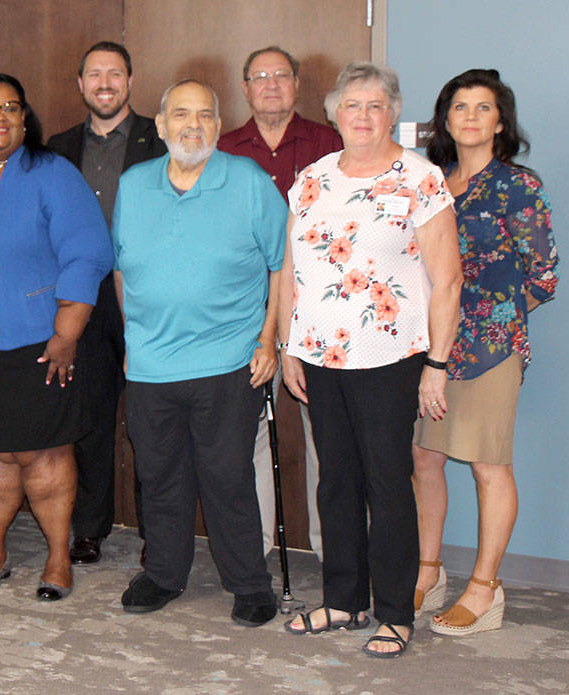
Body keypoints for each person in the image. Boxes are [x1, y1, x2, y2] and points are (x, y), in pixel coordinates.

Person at [279, 62, 462, 657]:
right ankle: (342, 599)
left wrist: (436, 364)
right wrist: (289, 345)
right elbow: (294, 275)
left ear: (392, 113)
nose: (362, 116)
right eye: (352, 104)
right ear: (334, 112)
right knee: (335, 483)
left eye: (375, 105)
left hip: (391, 356)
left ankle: (394, 612)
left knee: (387, 484)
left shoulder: (421, 178)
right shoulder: (309, 180)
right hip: (321, 356)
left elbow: (448, 281)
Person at [0, 73, 113, 601]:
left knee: (44, 453)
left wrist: (67, 331)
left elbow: (88, 251)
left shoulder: (50, 171)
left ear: (25, 116)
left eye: (12, 106)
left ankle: (58, 557)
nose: (1, 117)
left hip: (37, 340)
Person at [113, 79, 283, 628]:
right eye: (180, 115)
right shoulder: (134, 185)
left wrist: (268, 341)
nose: (193, 125)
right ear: (159, 126)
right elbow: (121, 268)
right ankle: (163, 573)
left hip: (229, 361)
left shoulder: (250, 182)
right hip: (150, 366)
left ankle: (249, 582)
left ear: (218, 124)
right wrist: (134, 335)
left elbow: (283, 265)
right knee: (159, 475)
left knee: (227, 475)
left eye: (204, 115)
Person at [413, 69, 557, 636]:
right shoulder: (428, 183)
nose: (470, 116)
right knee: (425, 460)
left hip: (491, 351)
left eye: (483, 107)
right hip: (428, 350)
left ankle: (484, 588)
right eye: (459, 107)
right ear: (445, 120)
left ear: (501, 121)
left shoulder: (518, 186)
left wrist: (493, 323)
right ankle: (429, 572)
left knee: (487, 465)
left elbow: (542, 276)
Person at [219, 45, 342, 560]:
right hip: (246, 313)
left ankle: (332, 550)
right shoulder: (223, 148)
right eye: (259, 77)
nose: (270, 85)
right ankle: (256, 551)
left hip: (323, 312)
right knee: (246, 435)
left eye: (281, 76)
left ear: (296, 84)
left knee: (328, 438)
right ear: (244, 87)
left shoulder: (328, 141)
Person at [46, 40, 165, 567]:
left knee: (150, 424)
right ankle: (89, 529)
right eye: (94, 74)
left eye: (114, 73)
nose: (104, 83)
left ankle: (155, 533)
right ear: (80, 84)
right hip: (82, 304)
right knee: (89, 422)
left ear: (130, 81)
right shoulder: (57, 147)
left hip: (144, 299)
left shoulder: (157, 142)